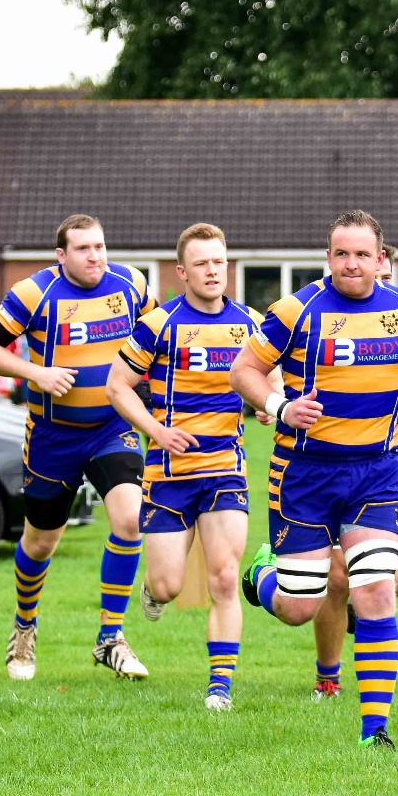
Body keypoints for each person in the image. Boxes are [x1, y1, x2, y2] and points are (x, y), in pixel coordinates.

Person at [232, 210, 398, 749]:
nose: (351, 263)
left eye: (362, 254)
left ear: (381, 260)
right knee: (299, 606)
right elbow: (243, 370)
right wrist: (279, 403)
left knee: (376, 590)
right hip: (304, 475)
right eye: (341, 253)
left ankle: (375, 732)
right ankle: (261, 578)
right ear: (328, 258)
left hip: (379, 474)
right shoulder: (296, 310)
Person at [0, 215, 158, 681]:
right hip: (53, 437)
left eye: (100, 246)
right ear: (61, 255)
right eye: (83, 249)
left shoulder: (130, 284)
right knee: (40, 542)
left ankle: (110, 636)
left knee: (131, 519)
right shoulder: (34, 293)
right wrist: (37, 374)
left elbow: (161, 334)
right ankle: (24, 627)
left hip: (113, 428)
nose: (95, 256)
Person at [103, 223, 262, 710]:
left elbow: (268, 375)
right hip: (169, 474)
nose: (213, 271)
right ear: (182, 272)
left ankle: (220, 686)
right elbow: (117, 386)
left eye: (219, 261)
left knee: (222, 576)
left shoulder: (251, 323)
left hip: (224, 469)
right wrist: (155, 430)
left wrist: (265, 402)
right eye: (202, 263)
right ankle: (153, 593)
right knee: (168, 585)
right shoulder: (158, 325)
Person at [310, 245, 398, 699]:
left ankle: (371, 639)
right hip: (327, 466)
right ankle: (329, 677)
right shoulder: (322, 318)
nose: (381, 281)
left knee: (392, 577)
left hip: (391, 466)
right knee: (337, 579)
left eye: (387, 274)